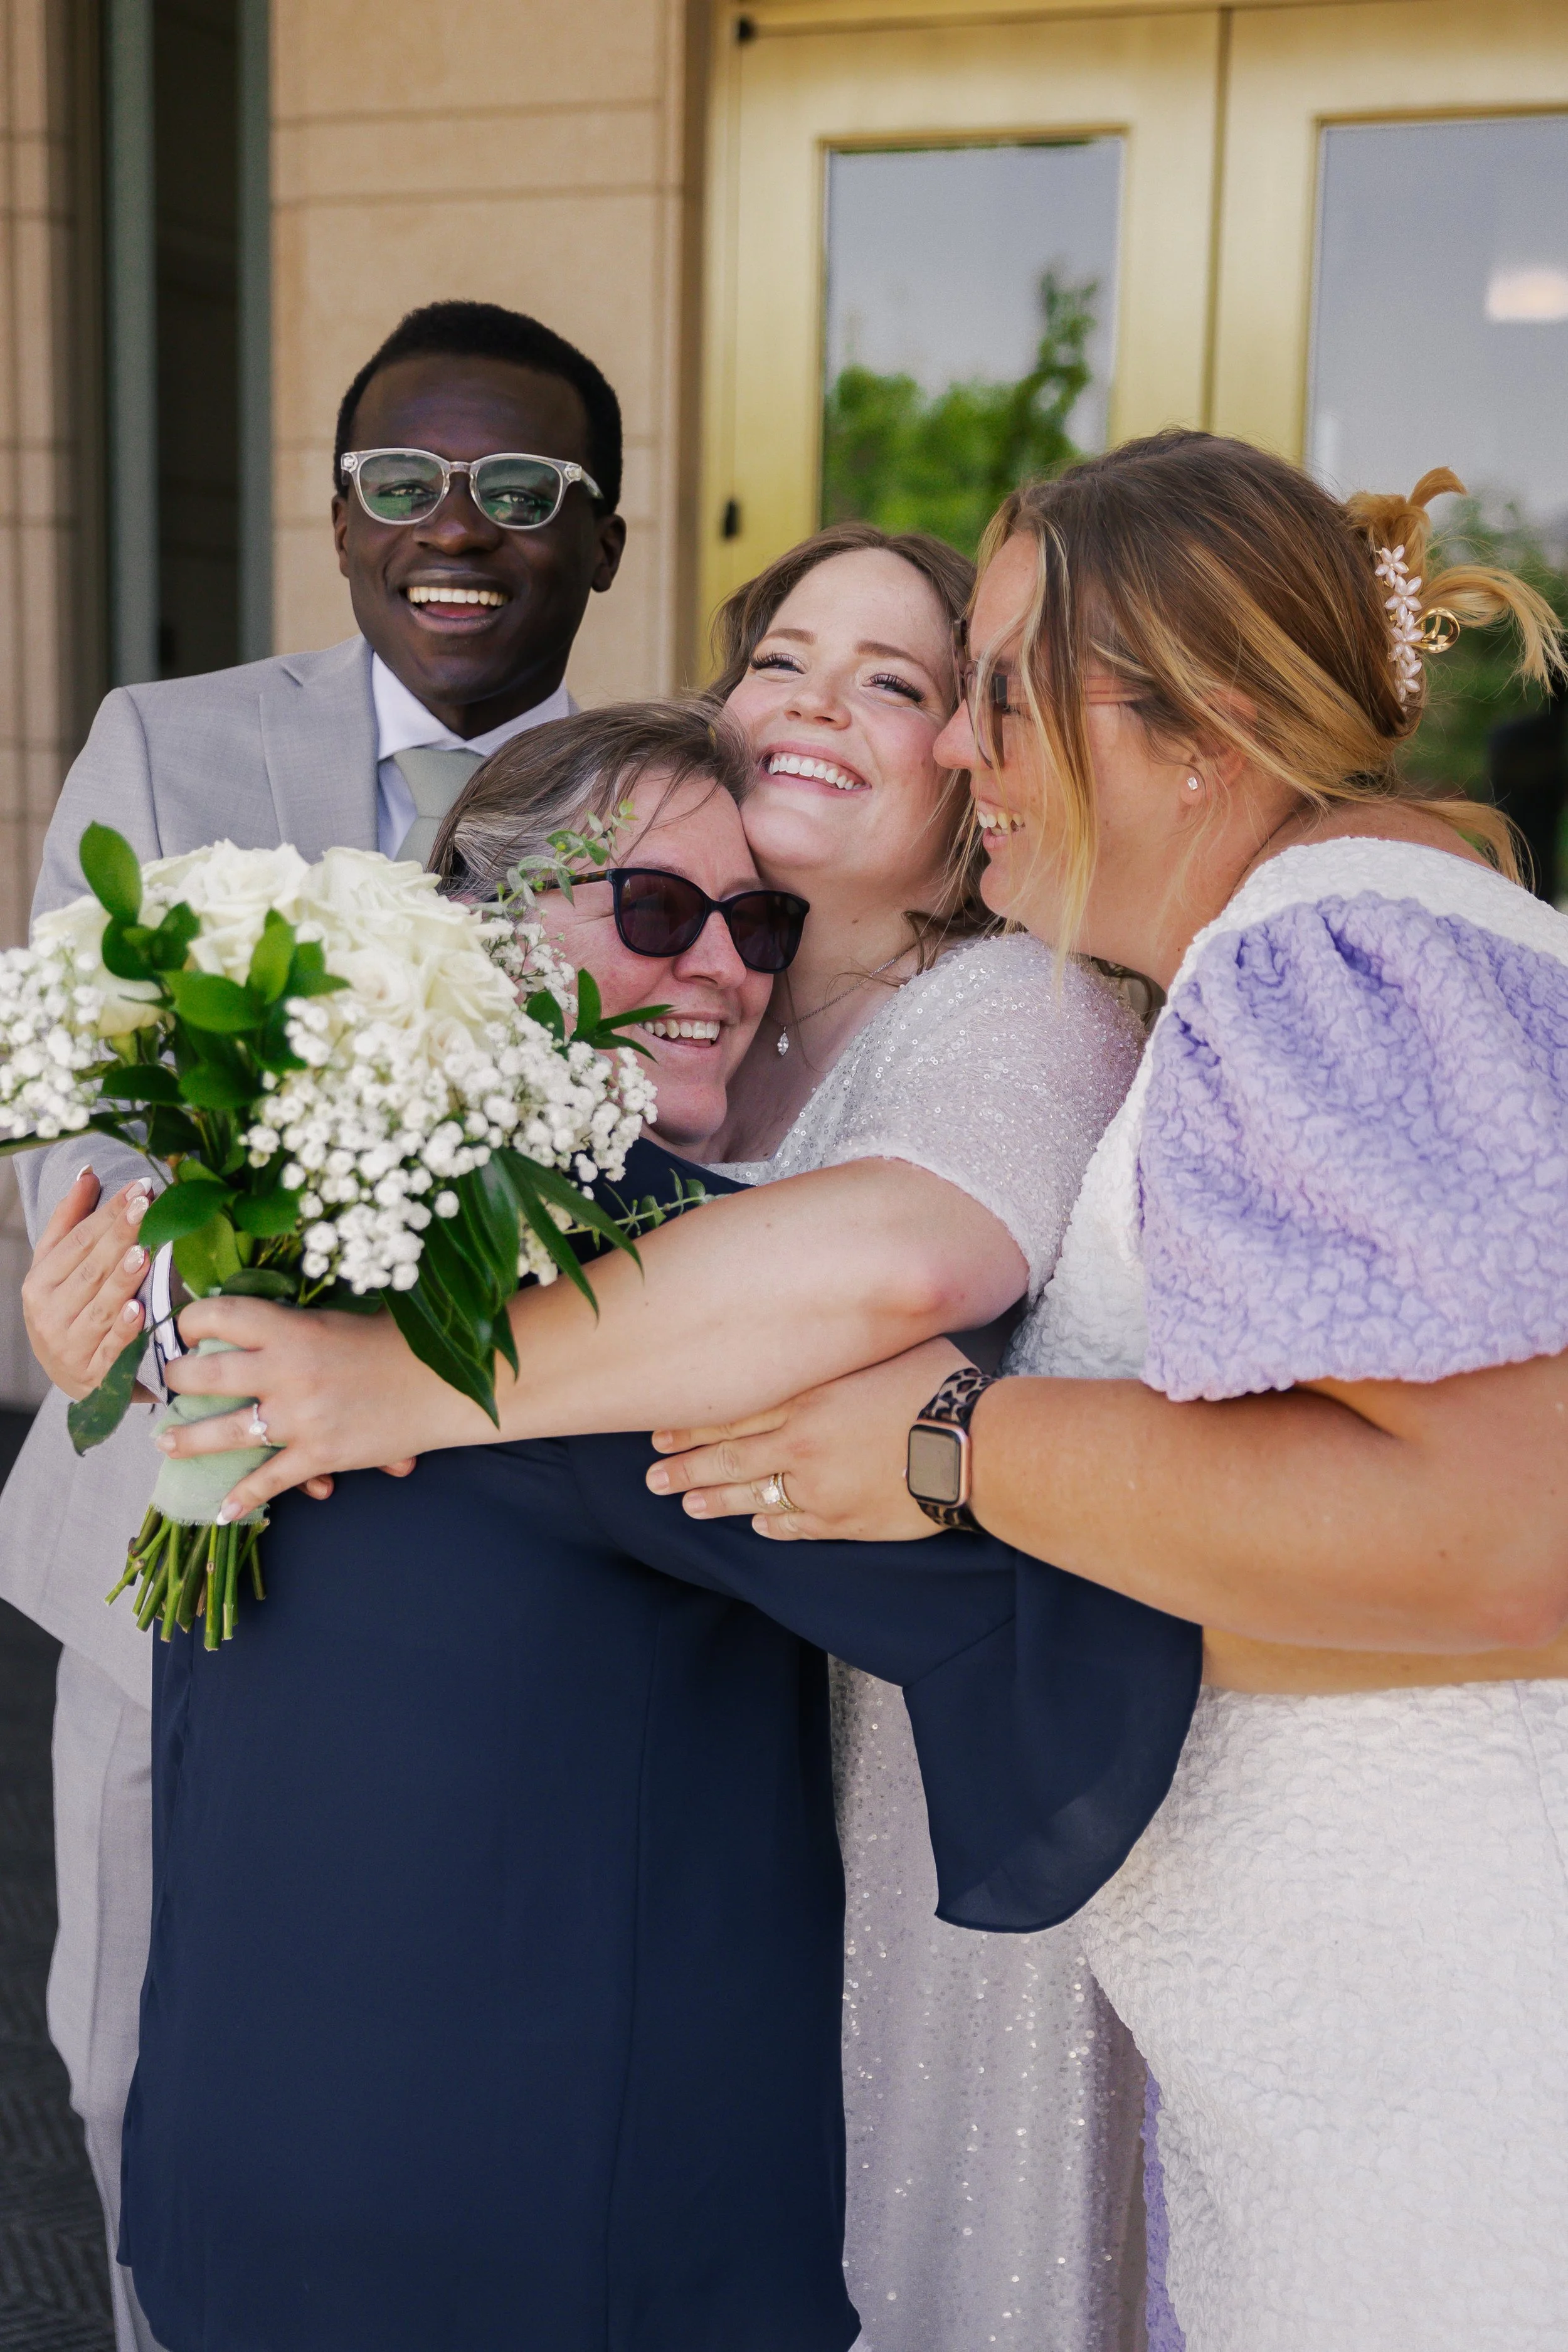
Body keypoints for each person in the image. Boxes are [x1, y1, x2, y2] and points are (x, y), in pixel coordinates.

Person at [159, 524, 1165, 2346]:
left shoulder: (314, 1205)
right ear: (478, 923)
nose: (717, 963)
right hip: (519, 2166)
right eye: (650, 909)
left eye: (751, 924)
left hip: (295, 2136)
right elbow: (1045, 1618)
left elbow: (883, 1252)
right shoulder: (535, 1221)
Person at [644, 437, 1568, 2350]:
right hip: (1360, 2086)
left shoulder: (1322, 951)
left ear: (1196, 727)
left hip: (1447, 2099)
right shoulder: (1339, 934)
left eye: (995, 689)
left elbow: (1513, 1527)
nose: (963, 752)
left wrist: (948, 1443)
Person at [6, 294, 627, 2352]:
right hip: (169, 1538)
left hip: (494, 1562)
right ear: (344, 519)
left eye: (523, 491)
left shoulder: (657, 809)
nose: (460, 527)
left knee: (425, 2092)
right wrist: (135, 1289)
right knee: (131, 2058)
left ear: (600, 543)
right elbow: (81, 1099)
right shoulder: (173, 740)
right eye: (406, 483)